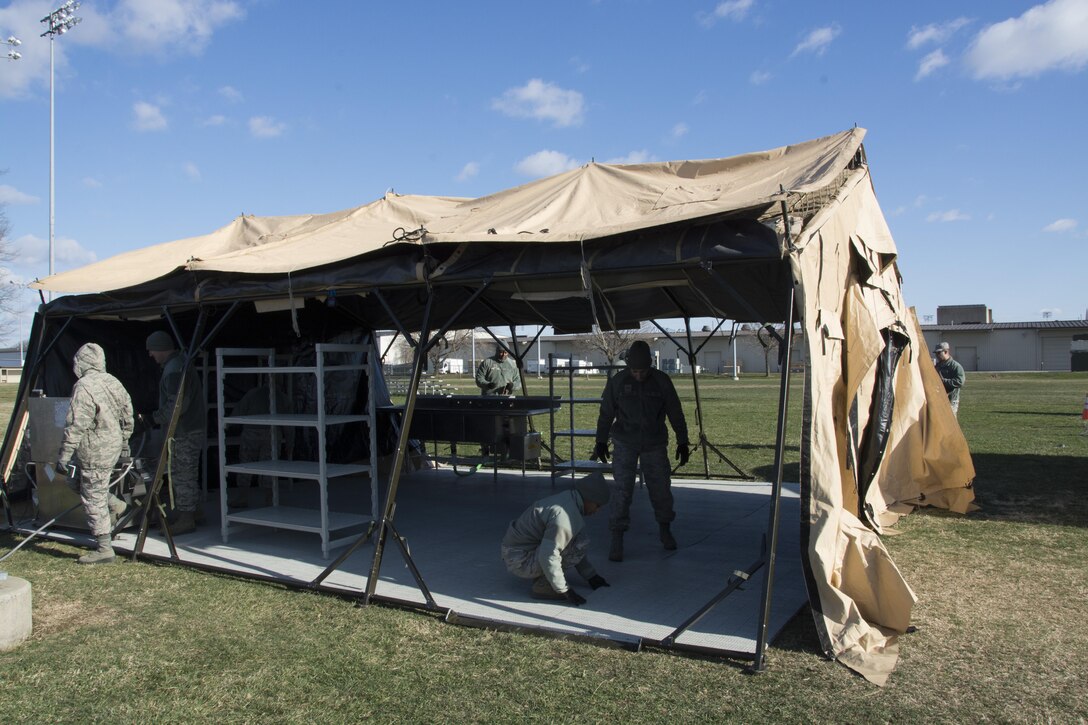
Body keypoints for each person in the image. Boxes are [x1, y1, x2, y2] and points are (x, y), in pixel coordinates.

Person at [593, 340, 690, 562]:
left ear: (651, 365)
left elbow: (676, 412)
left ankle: (665, 528)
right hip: (625, 442)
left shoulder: (661, 382)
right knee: (622, 490)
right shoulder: (618, 382)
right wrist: (600, 441)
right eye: (635, 371)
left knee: (661, 489)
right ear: (628, 367)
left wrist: (683, 441)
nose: (639, 376)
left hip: (654, 443)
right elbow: (606, 412)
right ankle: (617, 536)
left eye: (643, 371)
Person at [57, 343, 134, 565]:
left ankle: (104, 548)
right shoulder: (114, 382)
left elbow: (76, 425)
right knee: (80, 486)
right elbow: (128, 415)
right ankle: (117, 506)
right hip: (112, 447)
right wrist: (125, 441)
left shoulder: (84, 386)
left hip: (93, 450)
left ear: (80, 363)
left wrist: (64, 455)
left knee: (93, 496)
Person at [501, 473, 611, 605]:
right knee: (578, 544)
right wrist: (564, 590)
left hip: (517, 552)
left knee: (575, 539)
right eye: (597, 505)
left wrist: (590, 575)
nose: (597, 510)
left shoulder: (568, 499)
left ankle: (545, 577)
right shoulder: (564, 516)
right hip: (519, 560)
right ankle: (545, 586)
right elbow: (548, 554)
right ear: (589, 498)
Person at [145, 330, 206, 534]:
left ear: (161, 348)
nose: (150, 355)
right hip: (190, 428)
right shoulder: (179, 363)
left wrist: (153, 418)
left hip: (184, 431)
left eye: (152, 350)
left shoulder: (173, 369)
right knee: (187, 471)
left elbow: (177, 406)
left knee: (183, 473)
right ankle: (193, 511)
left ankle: (186, 518)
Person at [934, 342, 966, 417]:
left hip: (951, 401)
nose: (937, 355)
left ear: (946, 352)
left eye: (939, 353)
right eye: (936, 353)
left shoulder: (955, 366)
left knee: (950, 424)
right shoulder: (937, 366)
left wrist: (944, 381)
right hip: (938, 400)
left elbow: (960, 381)